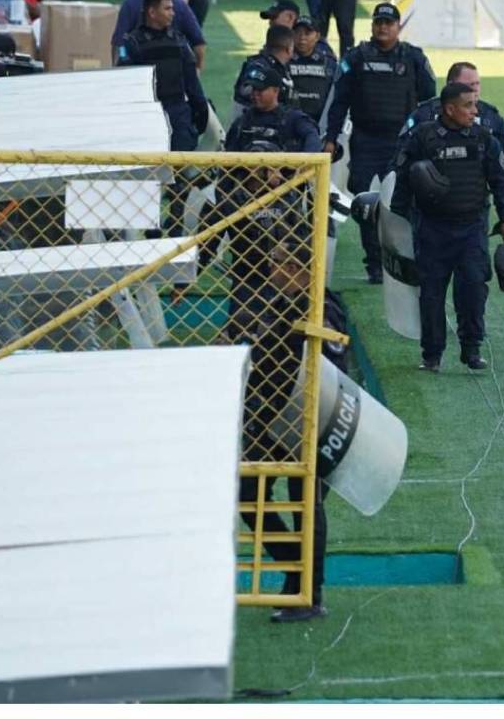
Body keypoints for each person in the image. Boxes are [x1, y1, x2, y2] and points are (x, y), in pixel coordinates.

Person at [198, 67, 328, 621]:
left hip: (299, 387)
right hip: (258, 389)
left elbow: (311, 300)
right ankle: (295, 572)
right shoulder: (237, 210)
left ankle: (309, 592)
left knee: (307, 491)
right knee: (251, 492)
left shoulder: (304, 226)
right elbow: (200, 258)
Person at [390, 82, 504, 371]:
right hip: (432, 230)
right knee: (432, 294)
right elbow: (403, 181)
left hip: (472, 228)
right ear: (450, 108)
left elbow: (500, 181)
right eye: (468, 105)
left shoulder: (484, 138)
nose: (475, 111)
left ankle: (471, 349)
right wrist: (398, 224)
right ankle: (432, 355)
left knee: (473, 290)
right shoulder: (422, 138)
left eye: (475, 105)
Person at [325, 1, 436, 283]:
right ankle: (374, 264)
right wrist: (331, 138)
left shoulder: (413, 58)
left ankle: (403, 261)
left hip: (402, 143)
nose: (383, 27)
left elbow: (429, 100)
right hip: (365, 141)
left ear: (398, 27)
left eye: (389, 23)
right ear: (372, 25)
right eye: (378, 23)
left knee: (402, 202)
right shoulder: (356, 57)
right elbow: (339, 102)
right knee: (366, 203)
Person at [405, 61, 504, 215]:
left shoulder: (490, 116)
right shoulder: (423, 115)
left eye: (477, 83)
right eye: (469, 84)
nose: (475, 89)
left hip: (473, 210)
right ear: (451, 85)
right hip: (429, 214)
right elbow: (403, 158)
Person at [116, 0, 208, 153]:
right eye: (167, 9)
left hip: (178, 113)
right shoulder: (132, 44)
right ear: (152, 12)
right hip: (147, 114)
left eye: (172, 8)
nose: (172, 13)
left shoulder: (179, 42)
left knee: (182, 167)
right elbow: (124, 86)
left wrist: (201, 112)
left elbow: (192, 84)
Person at [111, 0, 205, 69]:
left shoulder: (130, 4)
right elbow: (199, 43)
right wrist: (197, 67)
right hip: (174, 74)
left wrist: (121, 63)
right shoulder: (179, 5)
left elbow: (119, 43)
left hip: (140, 72)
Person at [231, 24, 294, 123]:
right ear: (289, 49)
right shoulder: (259, 66)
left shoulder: (281, 68)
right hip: (250, 124)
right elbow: (246, 91)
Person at [287, 17, 337, 126]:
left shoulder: (328, 63)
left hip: (320, 122)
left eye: (307, 33)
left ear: (317, 36)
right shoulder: (284, 60)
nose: (302, 38)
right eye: (298, 33)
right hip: (289, 121)